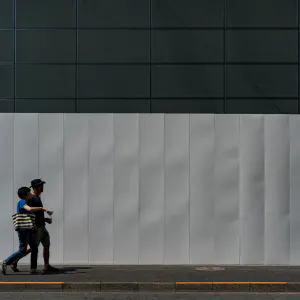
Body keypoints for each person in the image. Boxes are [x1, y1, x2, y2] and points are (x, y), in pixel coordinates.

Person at [11, 179, 59, 274]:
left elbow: (36, 213)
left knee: (46, 244)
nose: (42, 187)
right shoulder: (31, 198)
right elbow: (29, 212)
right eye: (40, 185)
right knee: (33, 248)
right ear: (35, 187)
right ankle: (14, 260)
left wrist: (45, 219)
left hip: (42, 226)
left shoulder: (37, 197)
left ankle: (46, 266)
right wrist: (33, 225)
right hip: (37, 227)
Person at [0, 187, 48, 275]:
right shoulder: (21, 202)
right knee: (22, 250)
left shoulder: (26, 202)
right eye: (29, 193)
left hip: (29, 229)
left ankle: (33, 269)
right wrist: (41, 208)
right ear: (25, 195)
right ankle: (5, 262)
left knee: (34, 248)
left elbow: (29, 216)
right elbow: (29, 209)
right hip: (23, 230)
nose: (31, 195)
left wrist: (34, 226)